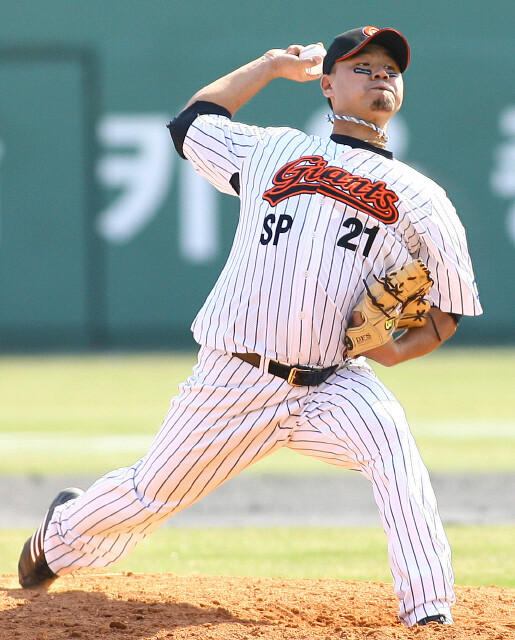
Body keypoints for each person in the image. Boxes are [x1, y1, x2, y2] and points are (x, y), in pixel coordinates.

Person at [19, 26, 482, 627]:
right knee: (149, 495)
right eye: (361, 66)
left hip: (334, 382)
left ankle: (429, 610)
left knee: (395, 453)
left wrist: (399, 352)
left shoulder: (424, 200)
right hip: (235, 377)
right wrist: (267, 66)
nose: (380, 77)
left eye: (390, 69)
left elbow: (446, 313)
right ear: (328, 85)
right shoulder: (275, 150)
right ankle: (59, 536)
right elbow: (190, 125)